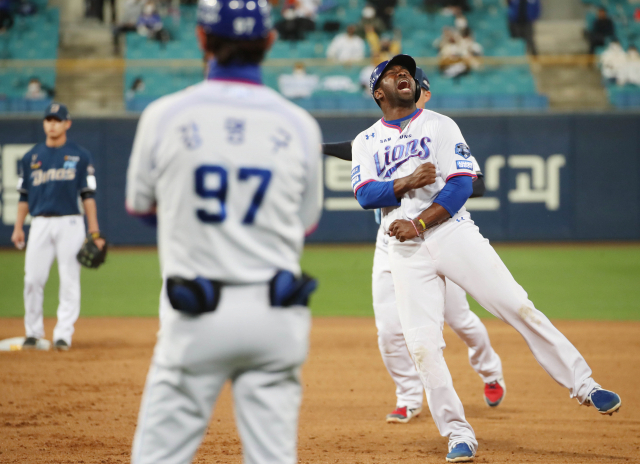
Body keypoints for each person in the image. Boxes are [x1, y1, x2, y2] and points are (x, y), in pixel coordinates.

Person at [351, 54, 622, 462]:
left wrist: (421, 221)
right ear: (378, 93)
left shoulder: (440, 125)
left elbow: (461, 184)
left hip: (451, 231)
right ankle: (458, 432)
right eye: (391, 74)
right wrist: (407, 181)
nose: (401, 74)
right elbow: (365, 195)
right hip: (403, 249)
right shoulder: (365, 141)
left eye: (405, 71)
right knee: (423, 346)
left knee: (517, 305)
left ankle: (585, 385)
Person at [125, 0, 322, 461]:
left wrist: (192, 225)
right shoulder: (299, 124)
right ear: (270, 42)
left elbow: (140, 206)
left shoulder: (164, 114)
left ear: (201, 39)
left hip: (196, 314)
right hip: (276, 313)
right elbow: (304, 222)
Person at [323, 68, 505, 424]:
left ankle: (490, 371)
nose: (416, 92)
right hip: (391, 239)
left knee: (460, 320)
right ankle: (408, 397)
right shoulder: (379, 140)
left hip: (440, 235)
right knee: (389, 330)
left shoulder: (439, 131)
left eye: (418, 86)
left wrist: (440, 184)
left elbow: (474, 184)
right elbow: (355, 149)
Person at [11, 103, 105, 352]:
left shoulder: (80, 156)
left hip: (71, 223)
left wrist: (94, 232)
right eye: (48, 120)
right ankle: (33, 332)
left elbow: (88, 196)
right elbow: (23, 196)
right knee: (32, 279)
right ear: (44, 123)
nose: (52, 124)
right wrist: (18, 227)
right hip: (39, 222)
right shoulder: (30, 157)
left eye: (57, 120)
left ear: (67, 124)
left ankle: (63, 334)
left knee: (69, 279)